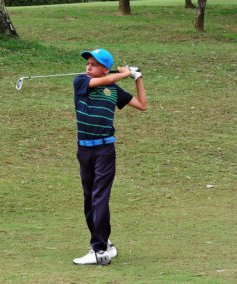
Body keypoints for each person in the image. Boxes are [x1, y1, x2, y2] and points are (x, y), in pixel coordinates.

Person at [72, 48, 147, 265]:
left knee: (99, 197)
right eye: (87, 63)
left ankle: (99, 251)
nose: (88, 67)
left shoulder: (113, 90)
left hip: (105, 150)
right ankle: (105, 244)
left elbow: (142, 105)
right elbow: (103, 81)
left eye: (93, 65)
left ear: (104, 69)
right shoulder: (80, 82)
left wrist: (137, 78)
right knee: (89, 200)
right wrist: (126, 73)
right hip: (84, 150)